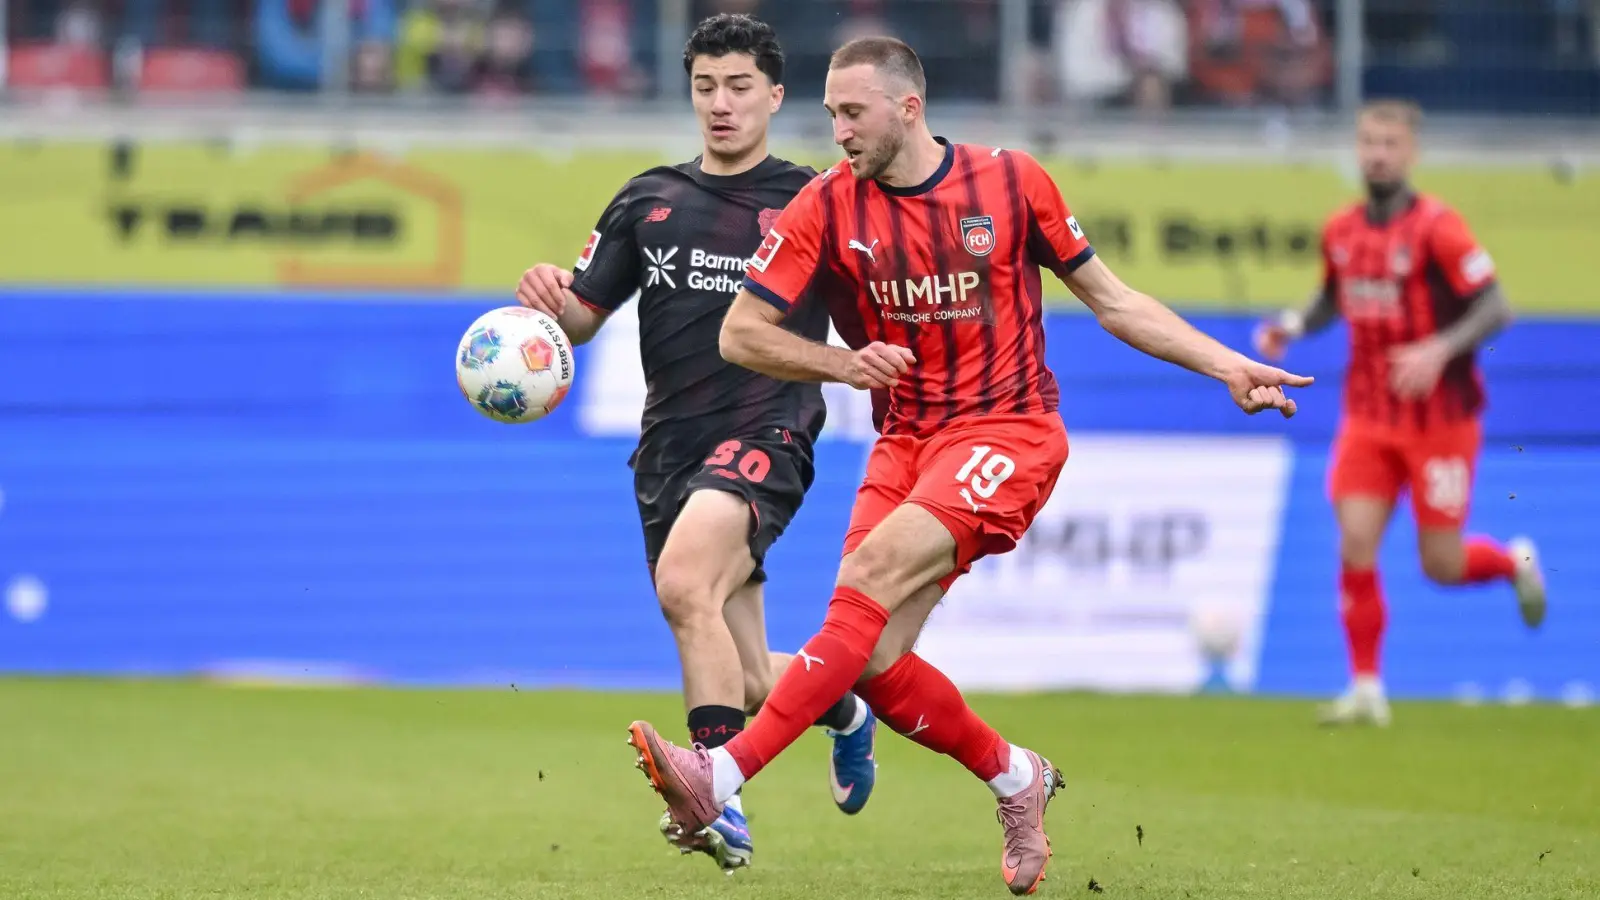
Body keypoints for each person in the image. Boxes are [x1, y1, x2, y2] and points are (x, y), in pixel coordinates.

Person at [624, 36, 1311, 895]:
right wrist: (844, 364)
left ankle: (720, 778)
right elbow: (741, 332)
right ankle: (1015, 775)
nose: (837, 131)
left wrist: (1228, 365)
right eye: (831, 113)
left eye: (853, 113)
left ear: (908, 108)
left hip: (1008, 429)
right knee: (869, 659)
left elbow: (1114, 300)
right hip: (905, 442)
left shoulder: (1012, 182)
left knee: (867, 579)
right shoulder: (826, 207)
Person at [513, 13, 878, 871]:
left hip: (768, 431)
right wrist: (545, 299)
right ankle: (845, 707)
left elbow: (872, 307)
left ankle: (719, 798)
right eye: (706, 86)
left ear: (776, 97)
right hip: (668, 452)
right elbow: (582, 318)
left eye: (739, 87)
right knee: (746, 672)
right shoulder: (647, 199)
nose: (721, 104)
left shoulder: (815, 198)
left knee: (685, 586)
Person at [1252, 99, 1548, 727]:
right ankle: (1365, 688)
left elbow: (1497, 308)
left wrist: (1439, 349)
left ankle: (1513, 561)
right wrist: (1290, 326)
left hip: (1441, 420)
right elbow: (1333, 297)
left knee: (1440, 564)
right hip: (1367, 418)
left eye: (1390, 143)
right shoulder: (1341, 230)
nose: (1378, 154)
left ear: (1410, 153)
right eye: (1368, 142)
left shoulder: (1440, 229)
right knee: (1355, 542)